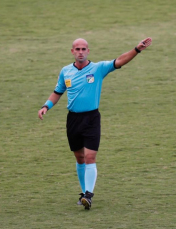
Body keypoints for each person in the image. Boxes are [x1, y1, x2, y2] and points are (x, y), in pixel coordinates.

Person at [38, 37, 152, 210]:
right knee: (79, 157)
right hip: (73, 119)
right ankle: (84, 194)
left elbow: (120, 60)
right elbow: (57, 92)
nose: (81, 52)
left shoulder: (98, 68)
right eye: (77, 49)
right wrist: (46, 106)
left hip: (91, 118)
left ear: (88, 51)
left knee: (90, 156)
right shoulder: (66, 71)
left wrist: (137, 49)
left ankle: (89, 195)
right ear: (72, 52)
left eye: (84, 49)